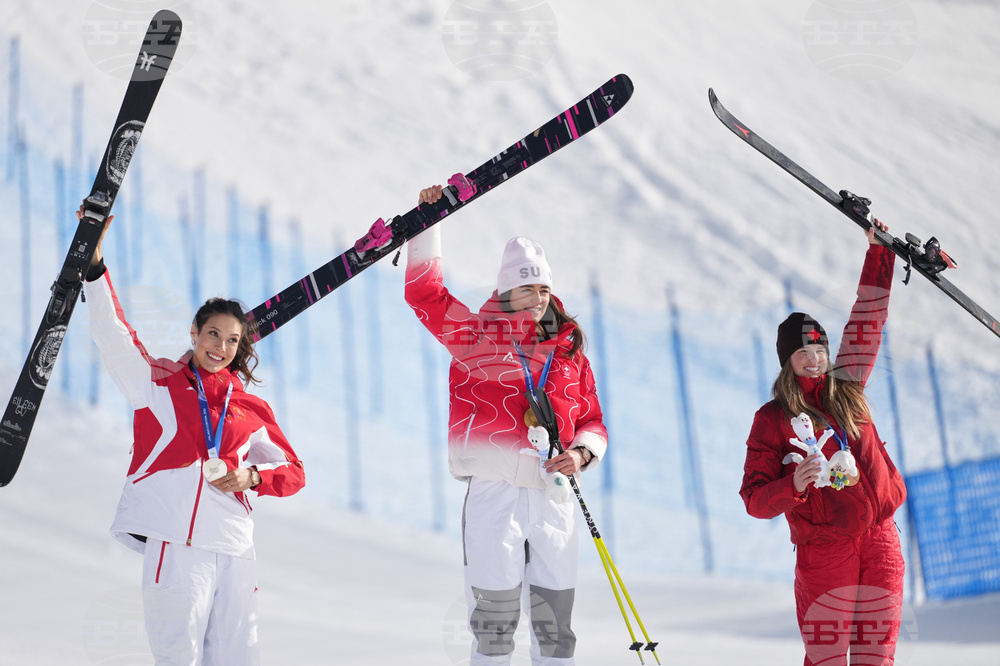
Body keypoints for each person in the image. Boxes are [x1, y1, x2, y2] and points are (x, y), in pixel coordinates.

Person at [81, 207, 306, 665]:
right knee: (177, 656)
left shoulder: (250, 407)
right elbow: (114, 335)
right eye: (213, 334)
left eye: (231, 340)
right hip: (176, 545)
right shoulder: (157, 383)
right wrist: (95, 265)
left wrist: (253, 478)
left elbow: (294, 471)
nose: (220, 347)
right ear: (194, 333)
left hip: (235, 547)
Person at [405, 184, 608, 665]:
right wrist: (427, 224)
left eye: (544, 289)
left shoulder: (569, 352)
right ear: (505, 292)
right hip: (495, 492)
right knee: (494, 627)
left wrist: (580, 453)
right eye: (527, 288)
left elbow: (593, 420)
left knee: (555, 630)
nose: (538, 298)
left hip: (554, 494)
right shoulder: (475, 337)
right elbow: (424, 294)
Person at [740, 219, 908, 666]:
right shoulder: (772, 420)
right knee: (827, 657)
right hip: (825, 550)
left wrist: (880, 253)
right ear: (787, 361)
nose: (814, 360)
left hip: (879, 540)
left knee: (877, 657)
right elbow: (754, 499)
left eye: (820, 351)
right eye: (803, 353)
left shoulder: (847, 387)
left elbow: (867, 320)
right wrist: (793, 483)